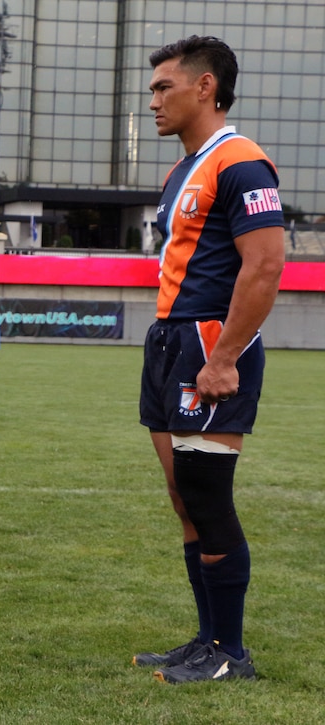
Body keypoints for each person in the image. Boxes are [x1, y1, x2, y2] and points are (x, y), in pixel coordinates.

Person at [132, 36, 285, 685]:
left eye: (164, 87)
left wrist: (222, 357)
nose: (153, 100)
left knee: (206, 493)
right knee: (181, 494)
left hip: (210, 344)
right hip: (170, 337)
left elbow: (267, 263)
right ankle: (205, 638)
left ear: (204, 87)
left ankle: (232, 651)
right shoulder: (181, 170)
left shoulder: (242, 161)